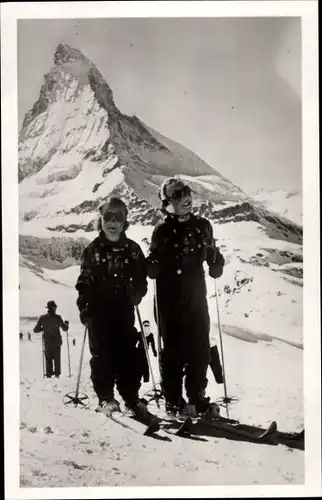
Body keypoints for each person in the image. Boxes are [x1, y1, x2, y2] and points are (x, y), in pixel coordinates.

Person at [146, 177, 225, 419]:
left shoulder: (202, 226)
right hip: (169, 297)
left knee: (200, 347)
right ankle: (173, 401)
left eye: (187, 192)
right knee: (173, 350)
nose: (185, 198)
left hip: (195, 294)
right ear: (167, 204)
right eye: (177, 195)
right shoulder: (162, 231)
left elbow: (212, 255)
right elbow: (153, 260)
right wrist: (152, 265)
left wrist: (216, 261)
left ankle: (197, 397)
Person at [75, 197, 150, 420]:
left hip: (124, 310)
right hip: (99, 311)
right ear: (101, 219)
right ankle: (106, 397)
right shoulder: (93, 249)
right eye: (108, 216)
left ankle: (131, 398)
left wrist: (137, 293)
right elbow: (84, 281)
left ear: (125, 221)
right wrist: (84, 307)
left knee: (128, 354)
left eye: (118, 217)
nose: (112, 221)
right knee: (102, 356)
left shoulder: (133, 250)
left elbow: (141, 279)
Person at [34, 300, 69, 378]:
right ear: (53, 308)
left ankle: (49, 374)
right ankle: (57, 375)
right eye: (55, 307)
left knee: (48, 360)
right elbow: (65, 329)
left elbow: (35, 330)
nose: (55, 308)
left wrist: (43, 328)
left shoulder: (42, 317)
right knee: (57, 359)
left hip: (47, 342)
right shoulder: (58, 317)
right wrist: (66, 324)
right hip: (57, 342)